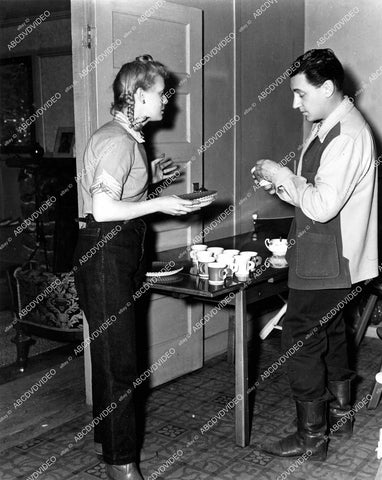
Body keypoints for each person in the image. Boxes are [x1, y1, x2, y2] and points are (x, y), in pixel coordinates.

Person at [73, 55, 201, 480]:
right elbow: (105, 207)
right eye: (161, 92)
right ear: (140, 96)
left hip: (115, 250)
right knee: (120, 362)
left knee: (113, 355)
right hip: (107, 252)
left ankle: (108, 444)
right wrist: (163, 201)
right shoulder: (119, 141)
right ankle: (121, 464)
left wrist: (152, 181)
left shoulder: (126, 137)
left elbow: (118, 195)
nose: (168, 100)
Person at [252, 49, 378, 460]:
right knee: (333, 331)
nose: (295, 103)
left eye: (300, 94)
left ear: (327, 88)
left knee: (299, 338)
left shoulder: (347, 134)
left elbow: (322, 206)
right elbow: (320, 189)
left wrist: (282, 175)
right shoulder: (331, 123)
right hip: (329, 255)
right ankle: (340, 418)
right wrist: (286, 186)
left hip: (330, 260)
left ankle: (312, 438)